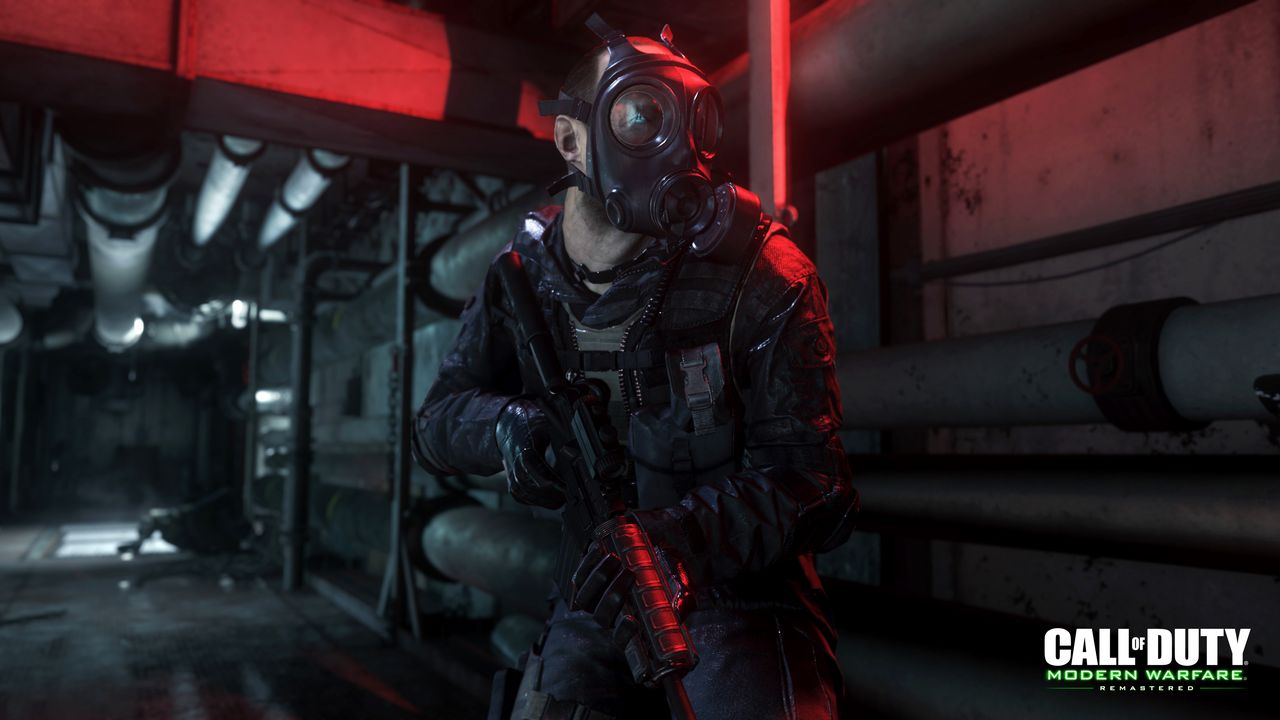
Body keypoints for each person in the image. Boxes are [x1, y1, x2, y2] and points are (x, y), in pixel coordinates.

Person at [413, 15, 856, 720]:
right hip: (594, 594)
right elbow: (436, 422)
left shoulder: (761, 273)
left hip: (742, 596)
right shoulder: (523, 278)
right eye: (641, 116)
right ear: (572, 141)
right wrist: (510, 428)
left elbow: (817, 485)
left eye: (693, 123)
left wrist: (674, 542)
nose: (676, 149)